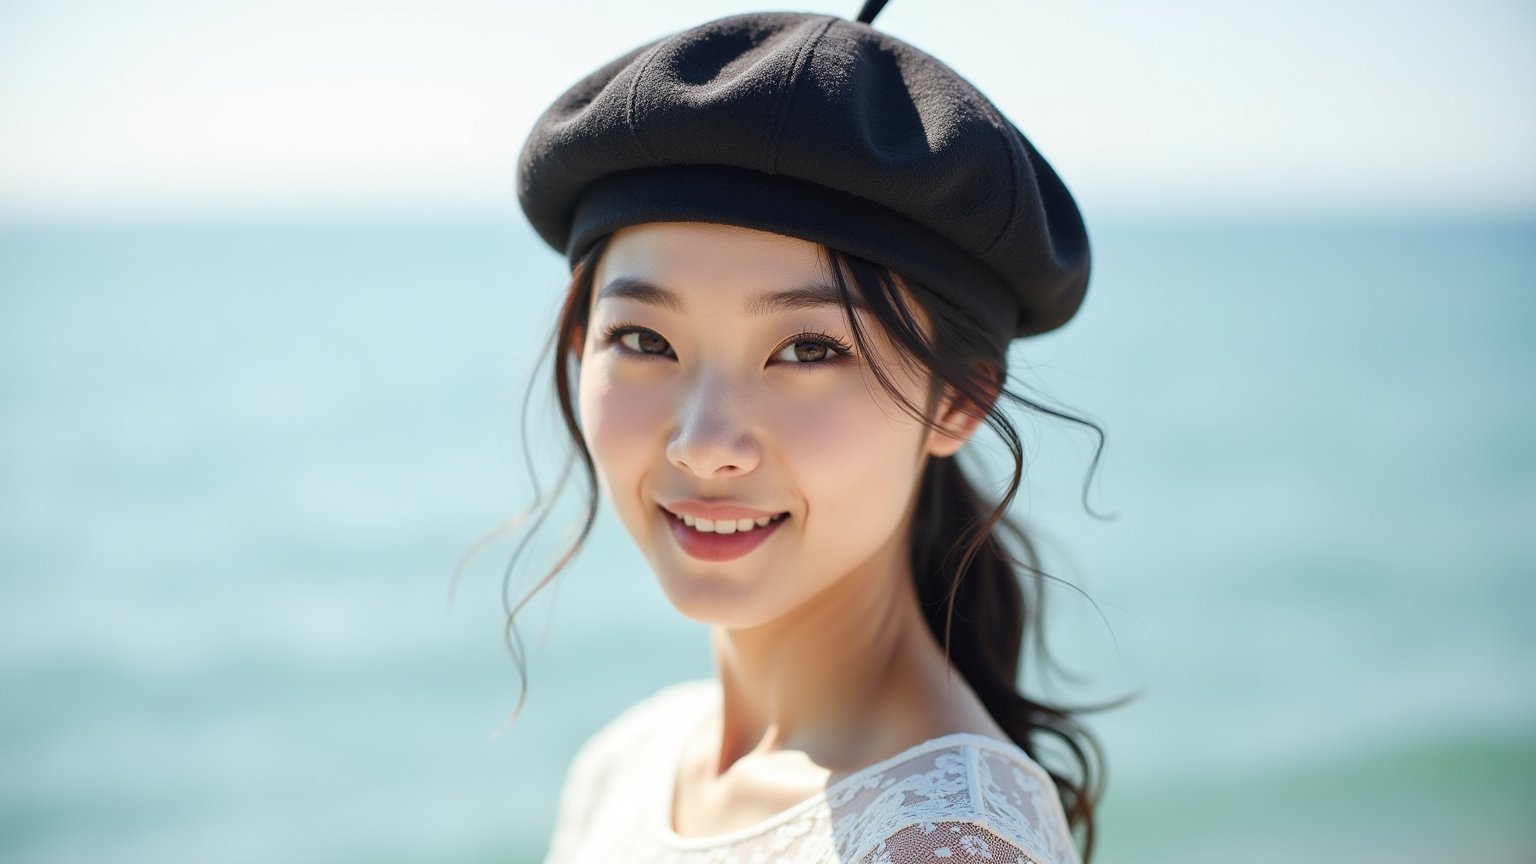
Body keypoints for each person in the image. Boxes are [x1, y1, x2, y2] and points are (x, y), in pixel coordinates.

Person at [510, 3, 1122, 862]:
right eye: (645, 340)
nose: (704, 442)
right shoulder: (629, 764)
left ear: (959, 400)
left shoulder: (943, 844)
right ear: (583, 346)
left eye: (808, 349)